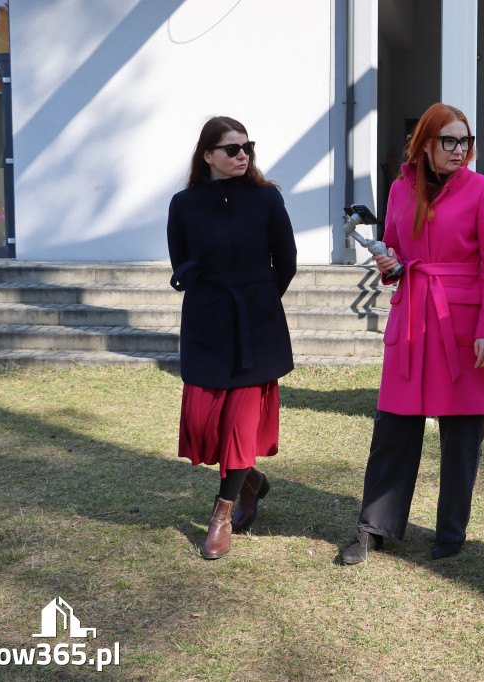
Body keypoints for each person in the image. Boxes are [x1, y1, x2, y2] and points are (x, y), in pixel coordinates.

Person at [339, 103, 484, 565]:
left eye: (465, 141)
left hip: (462, 322)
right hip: (412, 314)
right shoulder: (398, 189)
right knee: (394, 424)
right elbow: (393, 249)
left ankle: (450, 534)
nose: (459, 150)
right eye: (448, 141)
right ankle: (375, 527)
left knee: (461, 432)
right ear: (426, 144)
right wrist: (388, 264)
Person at [167, 116, 297, 560]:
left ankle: (221, 513)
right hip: (205, 321)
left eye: (247, 147)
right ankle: (252, 481)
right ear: (208, 156)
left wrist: (259, 299)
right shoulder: (183, 204)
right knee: (206, 422)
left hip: (256, 323)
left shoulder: (266, 199)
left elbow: (287, 261)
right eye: (231, 148)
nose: (243, 155)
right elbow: (180, 260)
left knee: (239, 422)